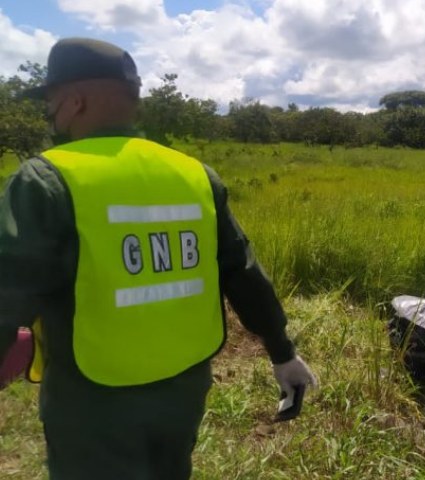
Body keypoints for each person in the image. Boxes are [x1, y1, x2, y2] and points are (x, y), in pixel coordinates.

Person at [0, 37, 317, 480]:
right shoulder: (194, 174)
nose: (50, 113)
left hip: (93, 400)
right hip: (183, 391)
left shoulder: (47, 178)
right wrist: (283, 353)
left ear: (74, 101)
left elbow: (8, 291)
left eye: (50, 101)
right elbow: (241, 271)